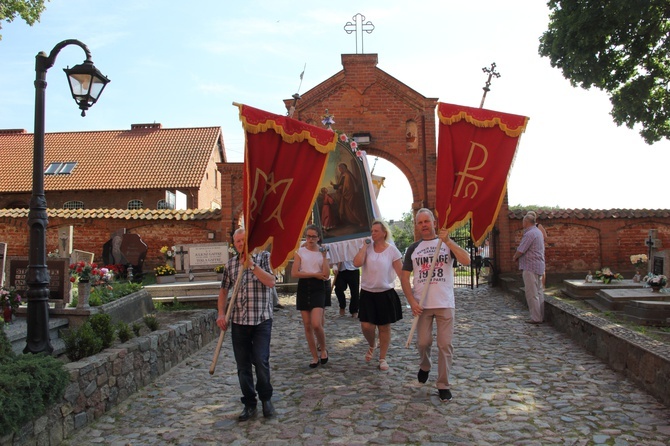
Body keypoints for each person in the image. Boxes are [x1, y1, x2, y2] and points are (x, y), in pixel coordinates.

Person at [400, 208, 470, 402]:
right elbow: (404, 278)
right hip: (422, 304)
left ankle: (443, 384)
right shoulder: (413, 249)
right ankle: (425, 365)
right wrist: (411, 301)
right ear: (417, 225)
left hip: (444, 302)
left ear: (433, 222)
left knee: (445, 344)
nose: (424, 225)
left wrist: (448, 241)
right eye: (420, 222)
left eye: (426, 221)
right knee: (423, 342)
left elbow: (466, 260)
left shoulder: (445, 245)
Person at [217, 228, 277, 421]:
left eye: (244, 240)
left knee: (261, 360)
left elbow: (271, 282)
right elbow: (224, 291)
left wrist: (251, 266)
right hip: (239, 321)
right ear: (234, 245)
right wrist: (220, 314)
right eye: (238, 242)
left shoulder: (264, 258)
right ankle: (250, 403)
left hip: (261, 320)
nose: (241, 244)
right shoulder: (231, 265)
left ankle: (266, 399)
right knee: (243, 366)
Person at [353, 220, 403, 371]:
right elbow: (356, 263)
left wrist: (411, 293)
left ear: (384, 233)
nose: (372, 233)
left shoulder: (392, 251)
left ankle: (383, 358)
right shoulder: (367, 249)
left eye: (376, 231)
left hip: (385, 292)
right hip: (368, 293)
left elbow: (401, 273)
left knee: (384, 327)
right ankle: (372, 344)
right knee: (366, 325)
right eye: (372, 230)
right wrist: (364, 247)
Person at [291, 224, 331, 368]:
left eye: (313, 236)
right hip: (304, 286)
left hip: (318, 287)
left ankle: (323, 349)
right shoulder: (300, 251)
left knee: (316, 323)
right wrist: (314, 274)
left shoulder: (323, 251)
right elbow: (295, 273)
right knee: (307, 325)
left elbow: (326, 274)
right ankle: (314, 356)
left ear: (318, 238)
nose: (310, 239)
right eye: (308, 236)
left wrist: (325, 257)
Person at [512, 212, 546, 324]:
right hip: (538, 265)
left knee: (532, 293)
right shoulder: (538, 232)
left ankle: (536, 317)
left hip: (530, 266)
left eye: (523, 221)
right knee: (539, 292)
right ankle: (541, 314)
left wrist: (515, 257)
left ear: (526, 222)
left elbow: (522, 249)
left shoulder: (530, 233)